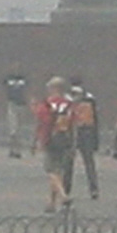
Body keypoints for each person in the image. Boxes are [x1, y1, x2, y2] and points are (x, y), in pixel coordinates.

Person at [42, 78, 80, 209]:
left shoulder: (47, 103)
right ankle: (51, 203)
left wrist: (41, 140)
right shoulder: (69, 104)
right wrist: (73, 142)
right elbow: (74, 123)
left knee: (51, 171)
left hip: (51, 139)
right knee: (58, 171)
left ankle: (63, 196)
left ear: (54, 89)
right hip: (65, 139)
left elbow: (44, 123)